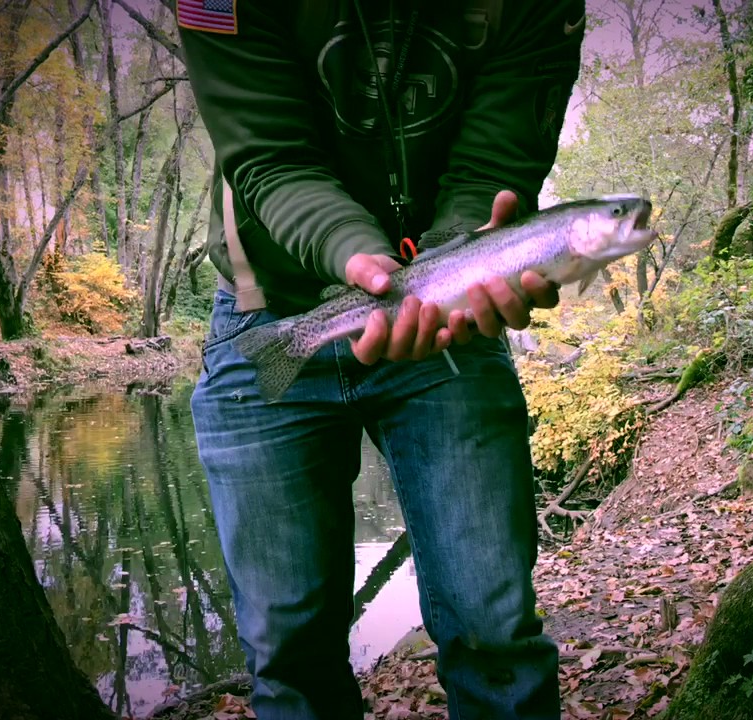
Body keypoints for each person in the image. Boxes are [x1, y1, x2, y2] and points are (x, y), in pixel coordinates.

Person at [176, 1, 584, 717]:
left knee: (496, 634)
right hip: (267, 310)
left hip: (449, 318)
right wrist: (364, 267)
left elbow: (494, 165)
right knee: (289, 659)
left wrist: (456, 268)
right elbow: (270, 158)